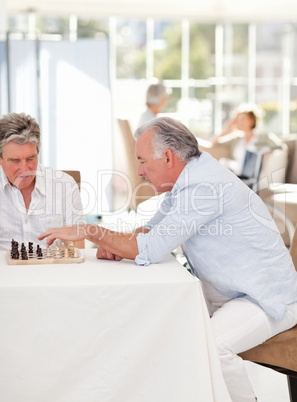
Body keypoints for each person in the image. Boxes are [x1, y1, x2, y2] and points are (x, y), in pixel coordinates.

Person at [39, 117, 297, 402]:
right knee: (168, 330)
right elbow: (150, 231)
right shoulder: (190, 178)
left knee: (212, 346)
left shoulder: (204, 188)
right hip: (236, 294)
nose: (138, 172)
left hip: (268, 299)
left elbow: (149, 247)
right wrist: (114, 242)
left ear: (168, 157)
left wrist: (89, 230)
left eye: (142, 161)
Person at [0, 112, 85, 250]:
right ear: (0, 159)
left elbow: (78, 247)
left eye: (30, 159)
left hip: (54, 270)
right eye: (15, 161)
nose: (24, 169)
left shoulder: (65, 185)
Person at [211, 105, 283, 176]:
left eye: (243, 119)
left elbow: (282, 148)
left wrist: (267, 154)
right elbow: (213, 143)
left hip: (252, 174)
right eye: (238, 120)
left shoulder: (263, 136)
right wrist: (227, 127)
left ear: (252, 120)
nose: (240, 122)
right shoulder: (236, 138)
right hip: (236, 173)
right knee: (223, 162)